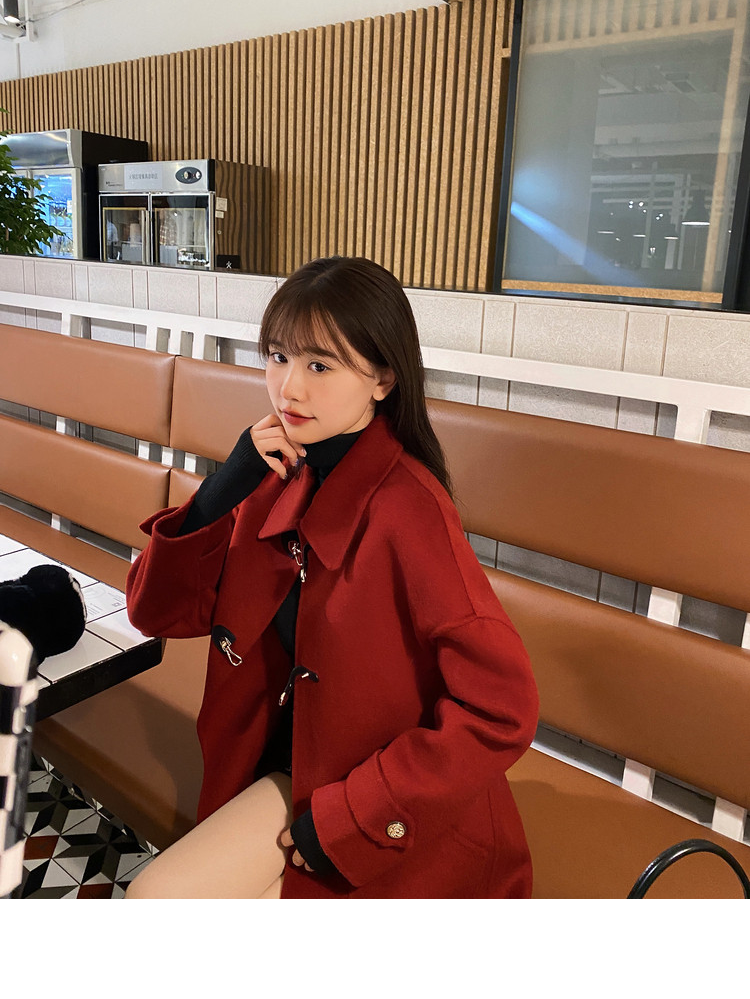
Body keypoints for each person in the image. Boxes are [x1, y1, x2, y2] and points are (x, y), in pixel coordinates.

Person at [124, 255, 539, 899]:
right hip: (282, 776)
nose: (288, 389)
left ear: (383, 379)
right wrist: (217, 494)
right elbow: (155, 615)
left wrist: (358, 814)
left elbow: (501, 709)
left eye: (320, 366)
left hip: (376, 806)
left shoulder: (409, 511)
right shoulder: (273, 480)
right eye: (278, 357)